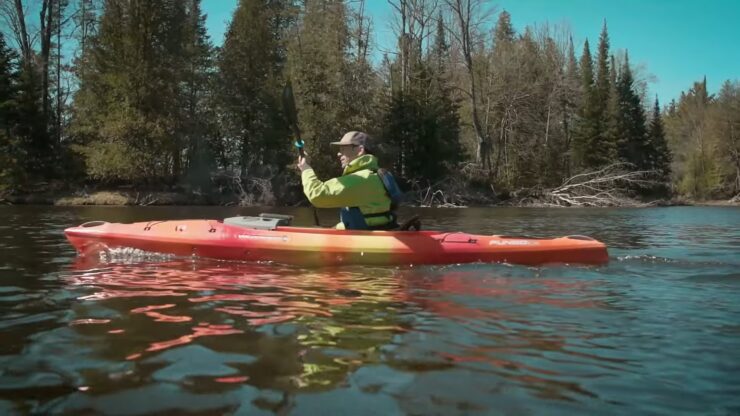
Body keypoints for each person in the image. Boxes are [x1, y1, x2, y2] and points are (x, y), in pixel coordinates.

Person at [297, 131, 398, 230]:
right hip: (376, 234)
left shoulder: (362, 179)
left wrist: (306, 170)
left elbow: (317, 195)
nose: (339, 154)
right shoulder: (375, 176)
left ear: (360, 150)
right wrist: (334, 229)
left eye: (343, 149)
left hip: (363, 241)